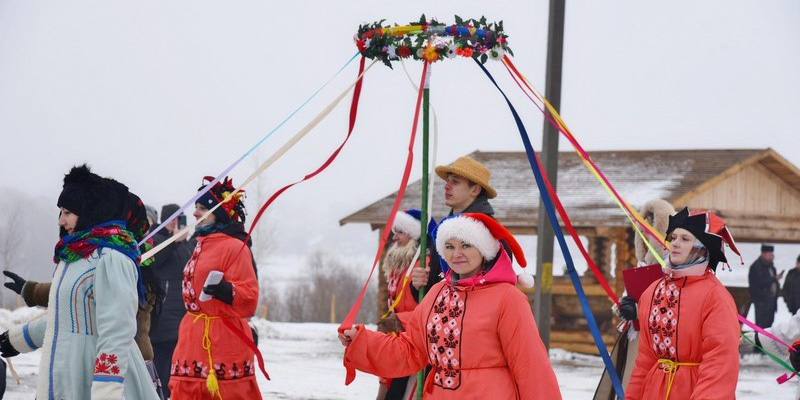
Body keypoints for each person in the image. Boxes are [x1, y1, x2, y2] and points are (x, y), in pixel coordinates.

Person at [340, 213, 562, 399]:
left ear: (485, 250)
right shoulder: (437, 292)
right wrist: (361, 340)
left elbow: (531, 366)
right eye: (449, 246)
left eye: (466, 245)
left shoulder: (508, 298)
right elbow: (411, 349)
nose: (456, 254)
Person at [0, 164, 159, 399]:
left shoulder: (110, 258)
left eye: (67, 212)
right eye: (60, 212)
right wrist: (20, 338)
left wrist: (107, 387)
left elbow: (117, 331)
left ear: (87, 213)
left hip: (92, 379)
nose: (60, 221)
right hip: (64, 374)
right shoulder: (74, 257)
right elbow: (67, 319)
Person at [625, 207, 741, 400]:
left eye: (685, 239)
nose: (675, 243)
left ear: (702, 248)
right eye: (673, 237)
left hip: (693, 391)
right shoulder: (652, 292)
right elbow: (645, 359)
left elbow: (720, 363)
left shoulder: (715, 297)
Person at [168, 176, 261, 400]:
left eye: (202, 208)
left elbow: (250, 297)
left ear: (218, 213)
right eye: (196, 207)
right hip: (192, 338)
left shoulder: (233, 246)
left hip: (223, 341)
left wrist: (225, 290)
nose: (195, 213)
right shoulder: (201, 244)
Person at [410, 156, 500, 298]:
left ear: (475, 190)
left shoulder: (490, 232)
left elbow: (495, 289)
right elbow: (434, 294)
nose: (446, 186)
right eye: (448, 181)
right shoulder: (443, 229)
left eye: (455, 182)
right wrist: (420, 285)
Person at [375, 209, 434, 400]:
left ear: (414, 234)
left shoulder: (423, 266)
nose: (394, 237)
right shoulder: (400, 264)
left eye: (400, 231)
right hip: (399, 343)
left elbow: (429, 312)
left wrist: (399, 321)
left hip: (415, 346)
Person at [150, 203, 194, 398]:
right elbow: (156, 258)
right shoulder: (156, 239)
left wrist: (182, 240)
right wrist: (175, 240)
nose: (175, 223)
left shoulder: (183, 244)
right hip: (162, 322)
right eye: (172, 219)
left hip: (182, 321)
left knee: (177, 375)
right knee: (161, 374)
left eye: (179, 219)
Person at [749, 244, 781, 328]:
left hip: (771, 302)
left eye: (772, 254)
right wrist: (774, 279)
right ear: (763, 254)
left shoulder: (771, 267)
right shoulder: (756, 267)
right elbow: (758, 283)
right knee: (761, 328)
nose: (772, 257)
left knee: (769, 327)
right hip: (762, 303)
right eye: (770, 254)